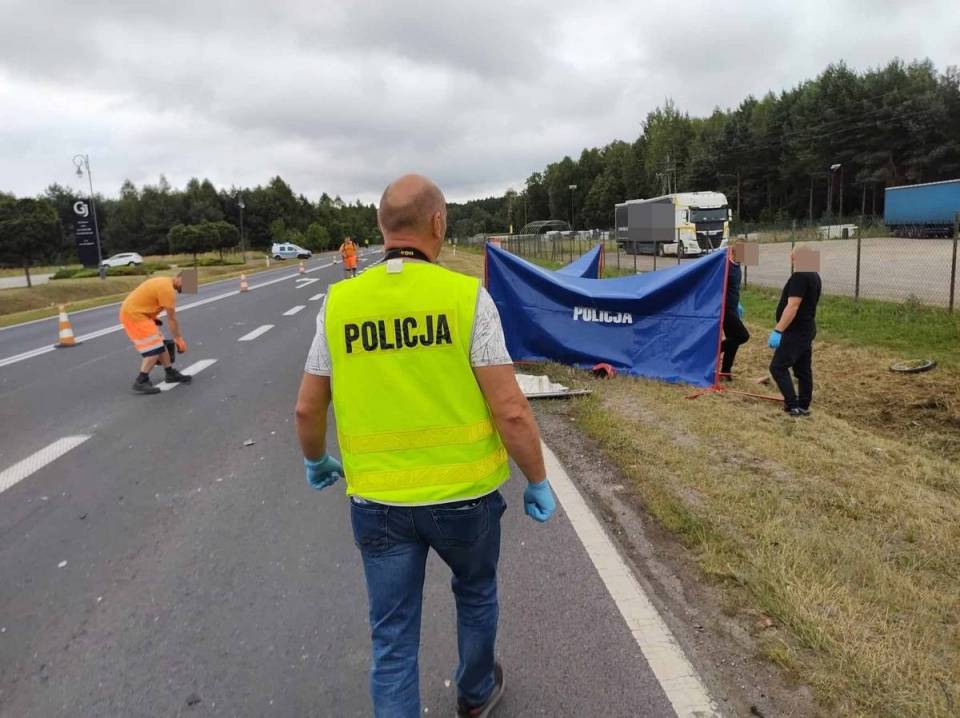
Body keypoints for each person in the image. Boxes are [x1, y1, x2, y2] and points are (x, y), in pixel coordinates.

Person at [295, 174, 556, 718]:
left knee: (392, 639)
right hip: (466, 498)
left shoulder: (340, 304)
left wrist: (317, 458)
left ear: (380, 228)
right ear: (439, 224)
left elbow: (308, 406)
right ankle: (477, 692)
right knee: (477, 594)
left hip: (379, 505)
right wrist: (537, 480)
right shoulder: (465, 298)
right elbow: (509, 408)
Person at [119, 273, 192, 394]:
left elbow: (146, 300)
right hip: (135, 316)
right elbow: (172, 319)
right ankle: (141, 381)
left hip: (139, 314)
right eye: (186, 284)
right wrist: (178, 338)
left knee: (160, 345)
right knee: (154, 349)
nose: (184, 289)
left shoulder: (163, 281)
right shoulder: (167, 290)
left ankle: (170, 373)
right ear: (180, 278)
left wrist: (152, 317)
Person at [768, 252, 822, 416]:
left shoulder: (799, 276)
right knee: (803, 369)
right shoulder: (814, 275)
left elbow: (793, 306)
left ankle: (792, 405)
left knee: (777, 367)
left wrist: (778, 330)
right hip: (807, 329)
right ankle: (804, 405)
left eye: (792, 258)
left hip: (795, 331)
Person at [719, 248, 749, 379]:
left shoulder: (737, 266)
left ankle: (726, 371)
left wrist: (738, 303)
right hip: (725, 309)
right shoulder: (726, 265)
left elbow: (734, 288)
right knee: (742, 336)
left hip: (733, 307)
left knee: (734, 339)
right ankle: (713, 350)